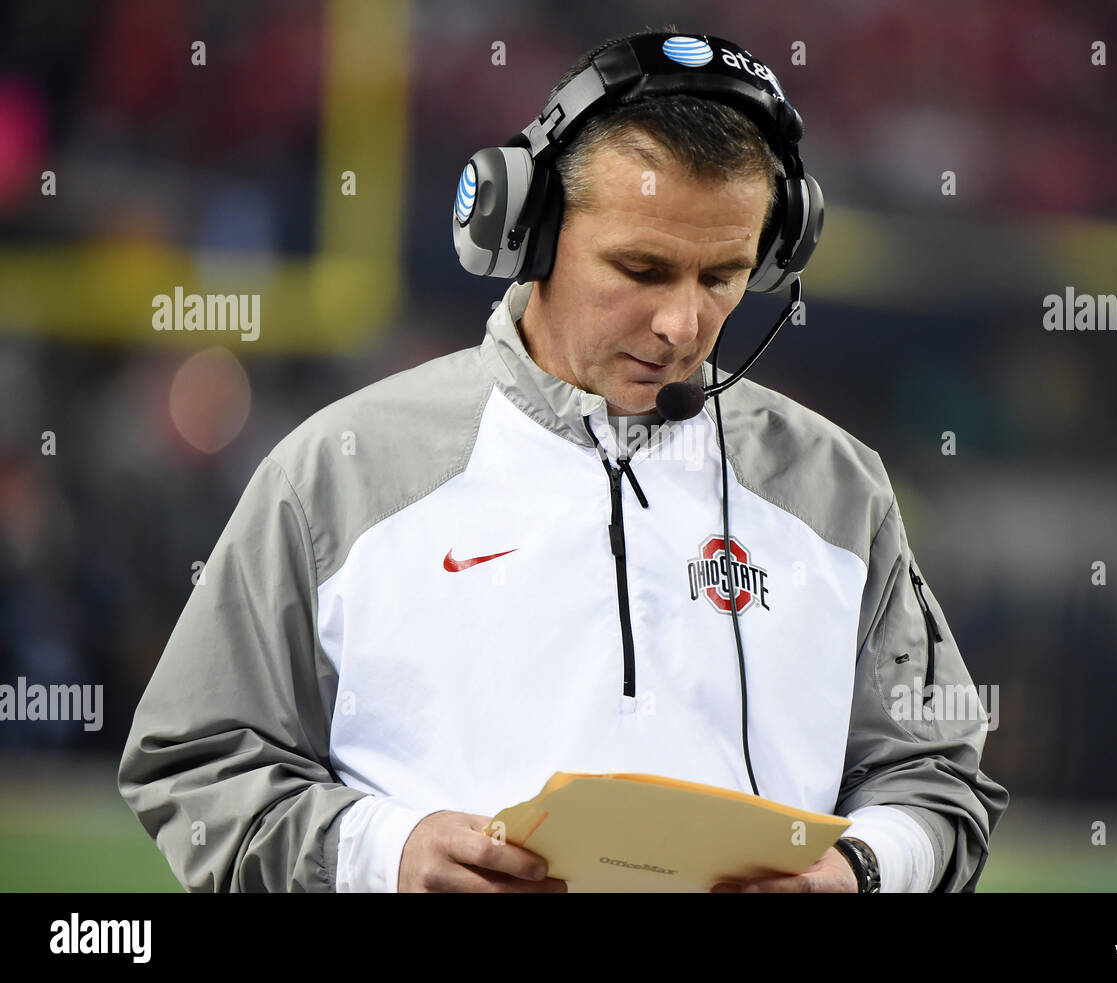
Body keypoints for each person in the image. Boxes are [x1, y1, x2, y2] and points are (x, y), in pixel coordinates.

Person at [119, 27, 1009, 894]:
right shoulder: (335, 474)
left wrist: (859, 869)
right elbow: (195, 760)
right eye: (642, 267)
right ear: (529, 230)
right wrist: (382, 853)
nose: (682, 326)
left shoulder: (839, 488)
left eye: (722, 275)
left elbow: (941, 773)